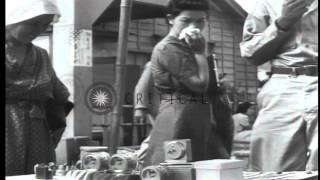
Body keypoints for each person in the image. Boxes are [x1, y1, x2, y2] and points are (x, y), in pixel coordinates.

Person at [142, 0, 233, 166]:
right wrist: (200, 53)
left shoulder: (187, 45)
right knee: (177, 165)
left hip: (199, 113)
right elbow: (199, 84)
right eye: (186, 20)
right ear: (171, 19)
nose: (194, 26)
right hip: (180, 113)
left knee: (207, 166)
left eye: (200, 21)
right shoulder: (169, 47)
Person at [240, 0, 318, 171]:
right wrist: (281, 23)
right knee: (272, 166)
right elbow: (251, 54)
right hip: (282, 83)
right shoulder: (267, 3)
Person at [6, 0, 71, 175]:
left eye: (45, 24)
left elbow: (59, 96)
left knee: (38, 174)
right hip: (8, 130)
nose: (39, 30)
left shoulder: (41, 55)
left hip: (37, 132)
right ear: (13, 17)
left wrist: (56, 128)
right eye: (33, 23)